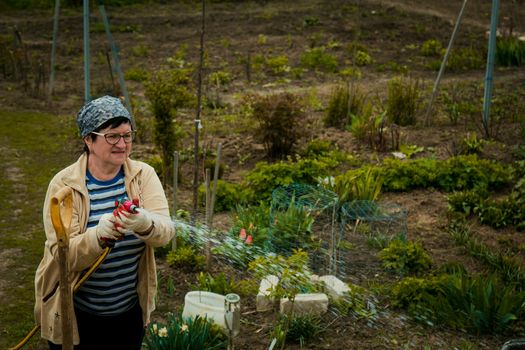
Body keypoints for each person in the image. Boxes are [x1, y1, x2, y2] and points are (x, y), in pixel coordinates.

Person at [34, 95, 175, 349]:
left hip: (128, 314)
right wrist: (98, 235)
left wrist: (144, 222)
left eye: (128, 135)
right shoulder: (64, 185)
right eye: (113, 136)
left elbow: (165, 233)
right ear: (89, 139)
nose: (122, 144)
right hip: (75, 315)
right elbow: (63, 255)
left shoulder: (143, 176)